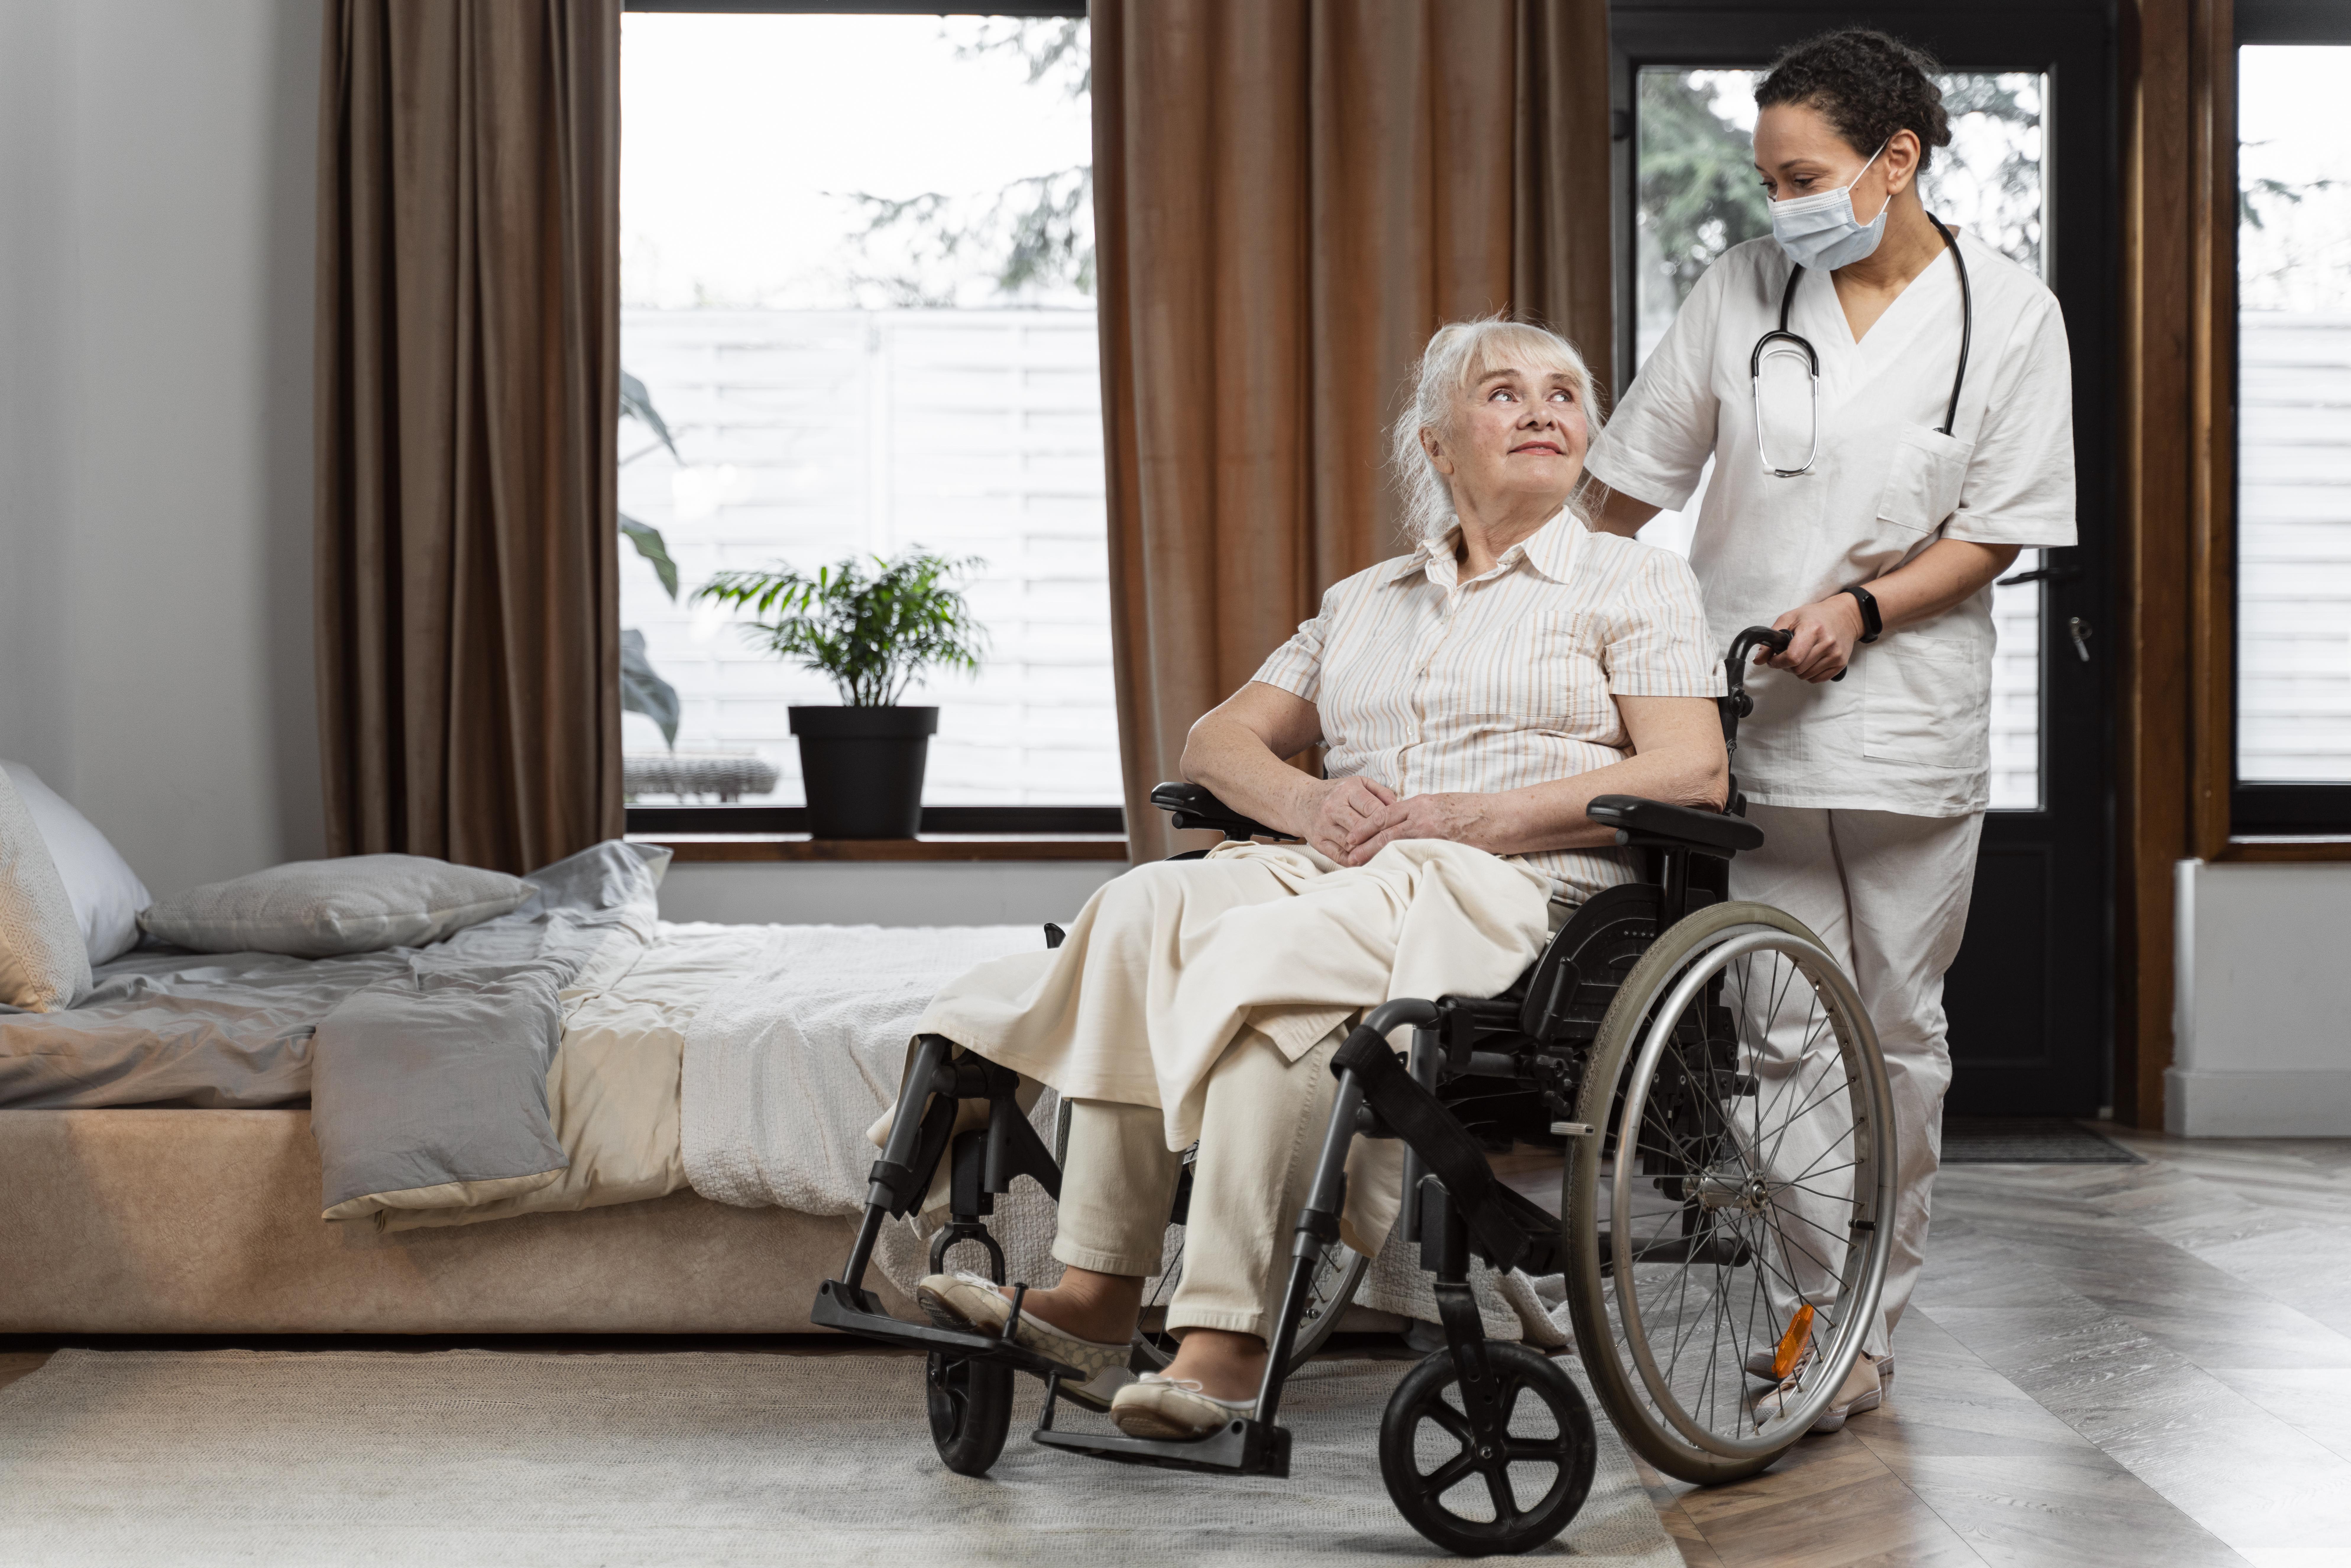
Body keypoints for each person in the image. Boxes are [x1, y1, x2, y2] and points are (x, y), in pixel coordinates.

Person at [899, 317, 1728, 1441]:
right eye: (1503, 393)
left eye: (1565, 394)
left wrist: (1485, 816)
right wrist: (1306, 803)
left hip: (1513, 886)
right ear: (1436, 444)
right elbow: (1215, 744)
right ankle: (1096, 1296)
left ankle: (1223, 1341)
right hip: (1336, 873)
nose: (1543, 411)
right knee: (1143, 910)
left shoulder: (1636, 583)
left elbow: (1693, 767)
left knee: (1255, 974)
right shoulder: (1363, 601)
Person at [1582, 30, 2078, 1431]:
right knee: (1782, 1031)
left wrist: (1861, 609)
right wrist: (1540, 600)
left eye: (1800, 174)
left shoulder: (2008, 313)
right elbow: (1627, 482)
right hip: (1744, 711)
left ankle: (1874, 1314)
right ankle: (1824, 1314)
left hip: (1907, 722)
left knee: (1895, 1030)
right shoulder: (1741, 286)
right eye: (1766, 175)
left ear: (1896, 159)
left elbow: (1992, 528)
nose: (1777, 201)